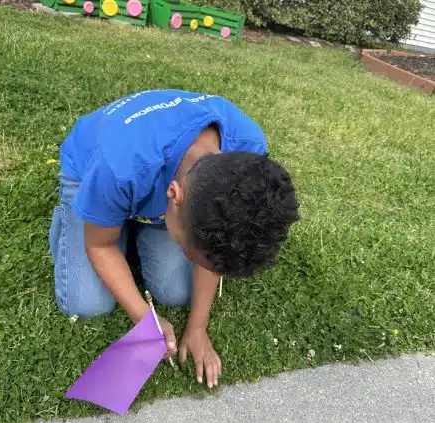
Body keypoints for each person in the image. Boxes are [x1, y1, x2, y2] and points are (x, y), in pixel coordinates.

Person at [49, 89, 299, 390]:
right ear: (174, 195)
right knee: (87, 303)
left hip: (146, 188)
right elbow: (99, 245)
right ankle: (79, 215)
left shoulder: (249, 157)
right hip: (90, 172)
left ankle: (124, 218)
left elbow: (215, 248)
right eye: (185, 248)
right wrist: (145, 318)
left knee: (177, 292)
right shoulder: (120, 164)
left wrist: (198, 326)